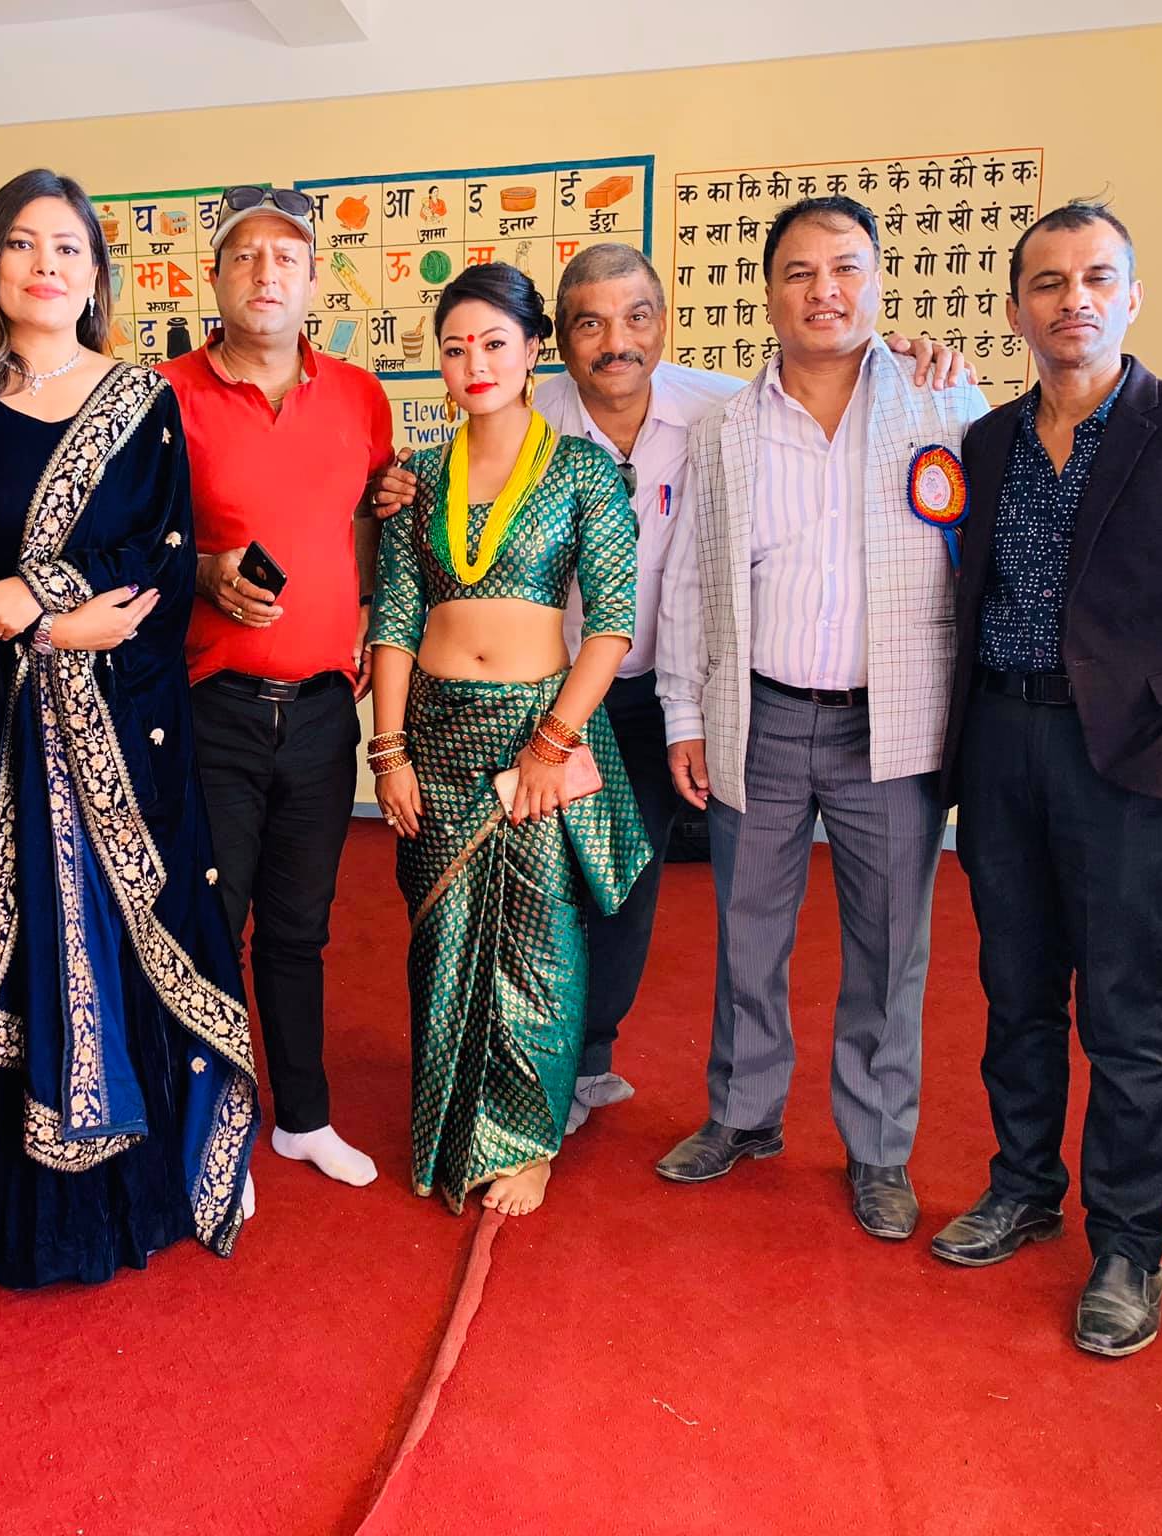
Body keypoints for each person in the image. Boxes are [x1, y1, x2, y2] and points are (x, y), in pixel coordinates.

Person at [373, 243, 974, 1136]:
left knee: (624, 880)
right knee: (531, 895)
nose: (615, 341)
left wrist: (911, 354)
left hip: (657, 693)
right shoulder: (522, 414)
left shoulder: (722, 412)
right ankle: (516, 1077)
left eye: (636, 318)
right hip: (523, 700)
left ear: (663, 323)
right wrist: (393, 486)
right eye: (590, 323)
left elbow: (813, 400)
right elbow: (411, 568)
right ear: (557, 339)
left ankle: (585, 1061)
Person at [931, 202, 1162, 1355]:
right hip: (999, 743)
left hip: (1131, 766)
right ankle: (1021, 1187)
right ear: (1014, 310)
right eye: (1046, 283)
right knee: (1014, 991)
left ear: (1131, 297)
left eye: (1095, 278)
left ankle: (1129, 1246)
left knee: (1126, 1015)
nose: (1071, 300)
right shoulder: (984, 443)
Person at [0, 169, 257, 1288]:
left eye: (67, 248)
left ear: (95, 273)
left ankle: (133, 1193)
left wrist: (52, 600)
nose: (45, 265)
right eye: (22, 243)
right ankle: (10, 1213)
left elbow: (163, 557)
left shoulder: (141, 400)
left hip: (120, 721)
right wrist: (37, 618)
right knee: (0, 932)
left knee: (122, 925)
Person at [655, 196, 989, 1240]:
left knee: (890, 949)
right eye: (798, 272)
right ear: (768, 293)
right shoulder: (725, 428)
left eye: (845, 268)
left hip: (889, 728)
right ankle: (743, 1114)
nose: (823, 291)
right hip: (757, 715)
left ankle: (878, 1149)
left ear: (878, 283)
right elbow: (690, 582)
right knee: (745, 935)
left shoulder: (947, 403)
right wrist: (682, 713)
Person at [370, 261, 647, 1219]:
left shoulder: (580, 470)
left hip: (539, 732)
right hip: (436, 738)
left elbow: (612, 623)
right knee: (441, 942)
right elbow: (395, 620)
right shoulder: (419, 479)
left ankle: (526, 1139)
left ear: (535, 351)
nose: (474, 363)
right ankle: (452, 1127)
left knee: (540, 946)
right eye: (455, 348)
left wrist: (551, 743)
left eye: (494, 343)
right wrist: (388, 753)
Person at [158, 186, 392, 1189]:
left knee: (300, 927)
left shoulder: (359, 396)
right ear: (212, 277)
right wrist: (204, 572)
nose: (266, 274)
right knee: (209, 924)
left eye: (286, 258)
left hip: (322, 710)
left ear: (312, 280)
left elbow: (374, 511)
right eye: (245, 256)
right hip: (208, 705)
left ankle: (302, 1117)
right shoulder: (161, 395)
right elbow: (127, 539)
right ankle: (212, 1128)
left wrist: (366, 613)